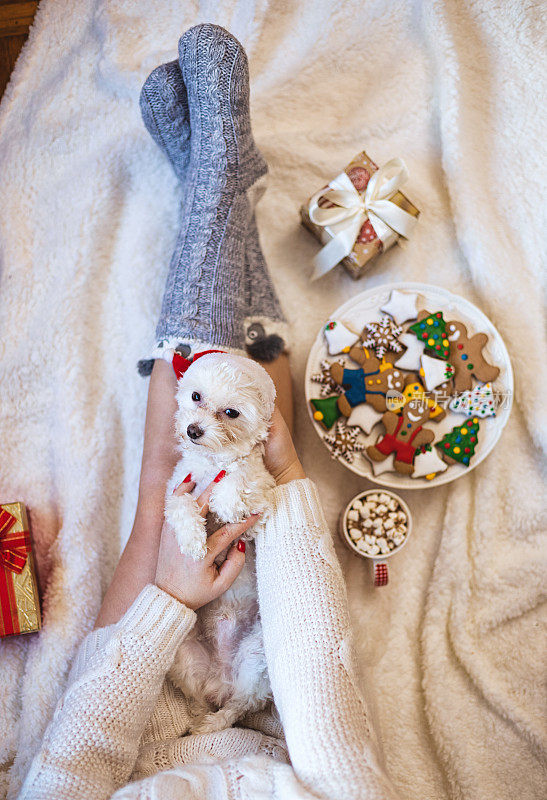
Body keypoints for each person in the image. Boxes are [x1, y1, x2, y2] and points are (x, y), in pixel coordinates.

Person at [17, 24, 401, 800]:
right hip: (281, 716)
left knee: (170, 480)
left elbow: (74, 760)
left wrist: (167, 603)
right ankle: (221, 174)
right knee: (246, 428)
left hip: (137, 722)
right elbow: (322, 704)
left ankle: (216, 175)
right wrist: (287, 476)